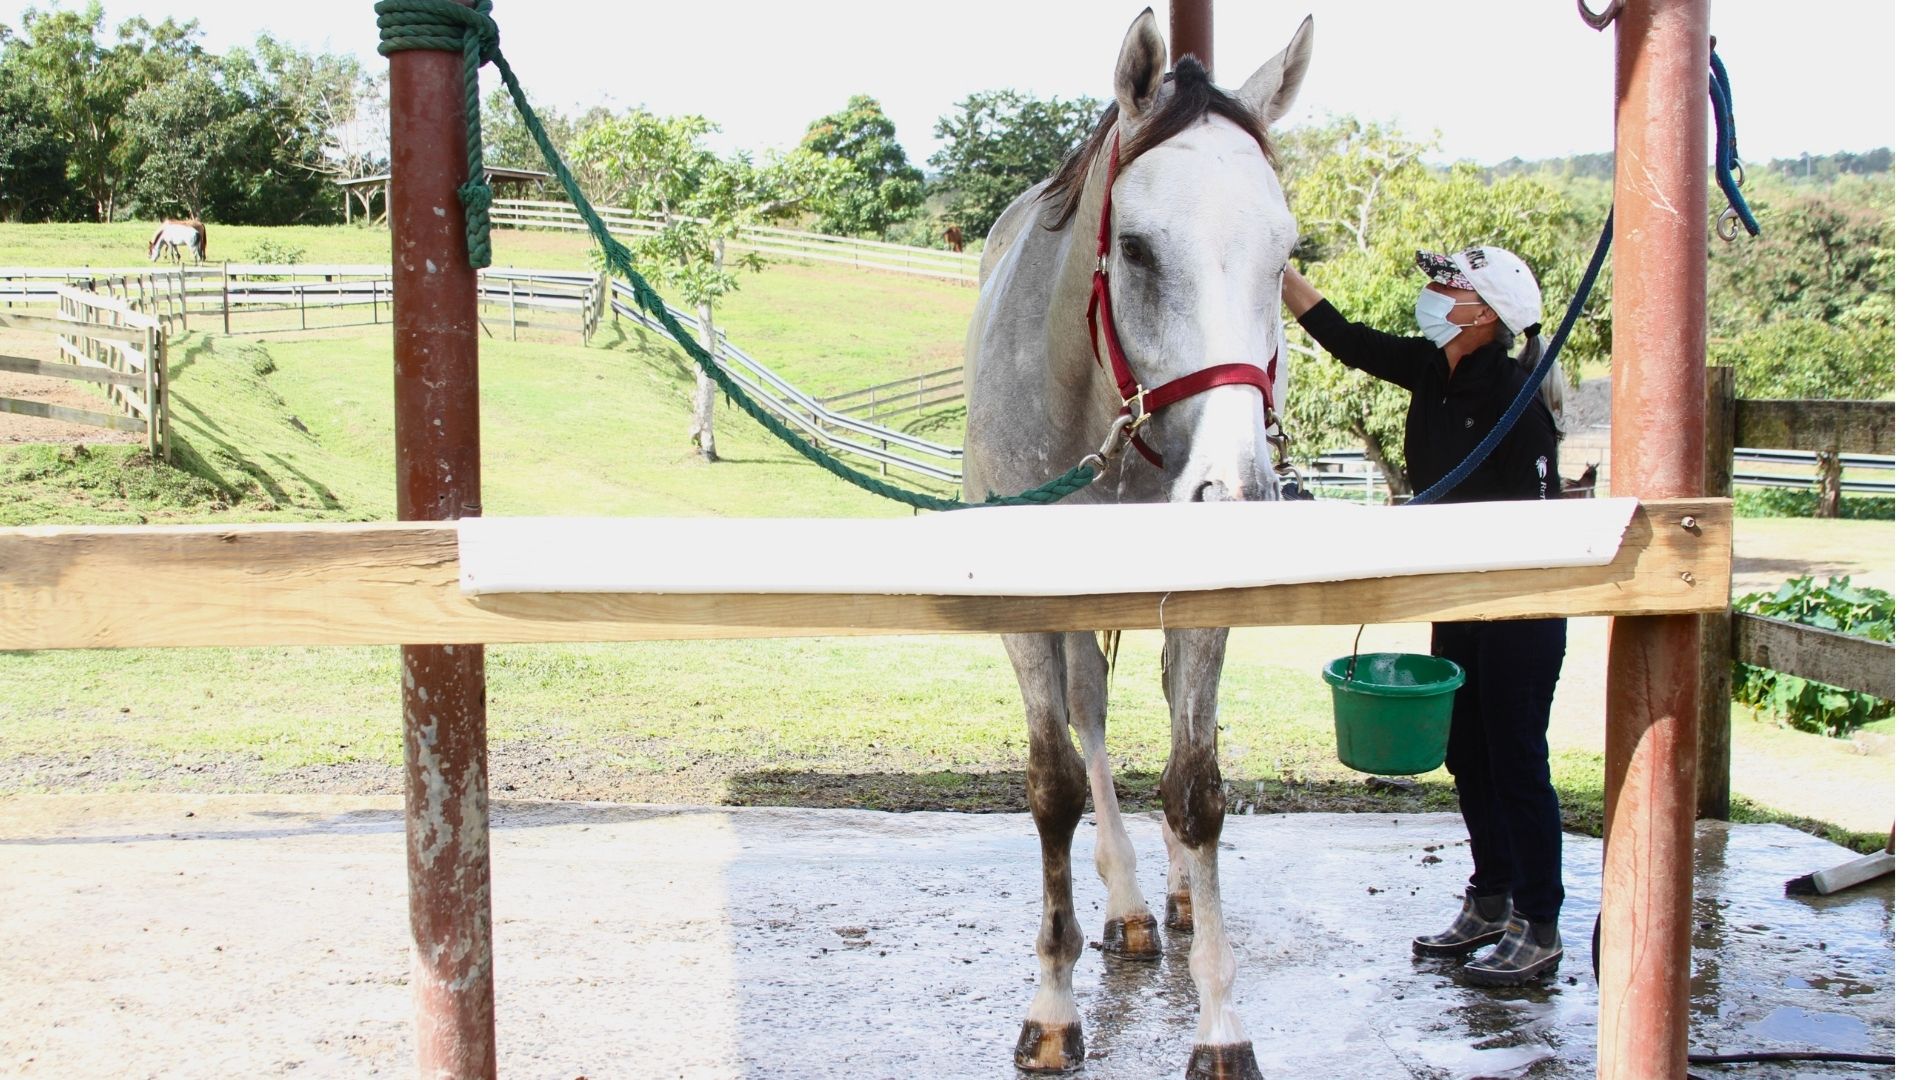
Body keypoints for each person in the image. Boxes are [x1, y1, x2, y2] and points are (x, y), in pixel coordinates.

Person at [1281, 246, 1569, 987]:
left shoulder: (1518, 398)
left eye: (1449, 286)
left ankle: (1539, 925)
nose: (1432, 293)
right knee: (1467, 755)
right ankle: (1491, 898)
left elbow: (1541, 526)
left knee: (1516, 760)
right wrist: (1275, 267)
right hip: (1457, 600)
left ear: (1483, 315)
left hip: (1518, 607)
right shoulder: (1430, 369)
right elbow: (1344, 338)